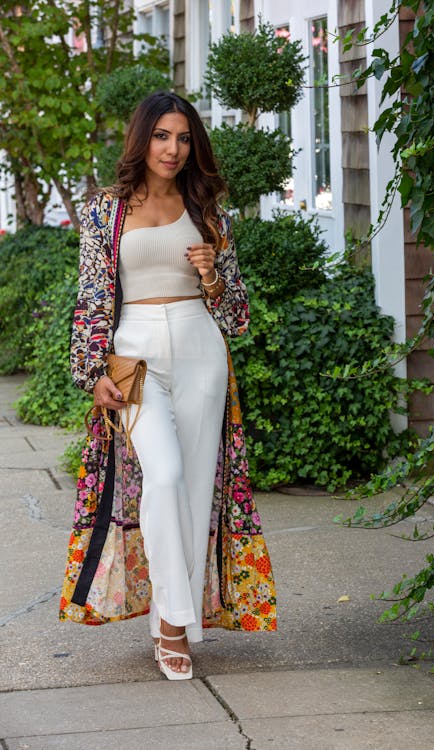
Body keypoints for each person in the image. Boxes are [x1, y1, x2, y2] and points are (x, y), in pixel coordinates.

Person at [59, 92, 277, 680]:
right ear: (142, 139)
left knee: (194, 490)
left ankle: (170, 621)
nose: (173, 149)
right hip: (135, 357)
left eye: (183, 138)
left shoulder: (208, 210)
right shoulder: (107, 210)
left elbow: (238, 318)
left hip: (201, 350)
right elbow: (91, 298)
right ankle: (176, 623)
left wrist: (211, 276)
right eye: (162, 136)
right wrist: (92, 371)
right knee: (165, 476)